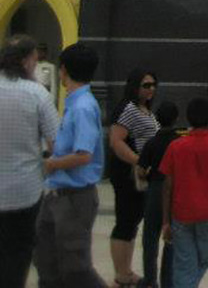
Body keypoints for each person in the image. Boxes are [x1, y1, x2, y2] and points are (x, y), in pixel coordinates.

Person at [34, 42, 107, 288]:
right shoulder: (74, 103)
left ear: (62, 70)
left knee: (76, 268)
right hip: (56, 194)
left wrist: (51, 164)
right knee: (46, 262)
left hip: (75, 197)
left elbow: (83, 155)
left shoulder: (83, 106)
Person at [0, 34, 59, 287]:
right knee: (19, 253)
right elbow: (56, 142)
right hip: (24, 191)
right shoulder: (37, 94)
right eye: (35, 59)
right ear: (25, 61)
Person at [159, 97, 208, 288]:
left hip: (181, 213)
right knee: (203, 260)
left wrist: (166, 221)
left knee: (184, 263)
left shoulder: (176, 147)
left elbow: (167, 186)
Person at [108, 68, 160, 286]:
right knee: (126, 221)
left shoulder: (145, 110)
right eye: (145, 85)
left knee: (131, 223)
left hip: (143, 176)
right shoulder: (128, 109)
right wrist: (138, 160)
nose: (151, 89)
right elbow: (117, 141)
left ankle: (126, 271)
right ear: (134, 86)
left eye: (153, 85)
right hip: (129, 176)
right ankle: (121, 274)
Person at [137, 101, 180, 288]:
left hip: (155, 189)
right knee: (171, 238)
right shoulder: (179, 143)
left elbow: (140, 170)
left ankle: (149, 278)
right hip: (175, 192)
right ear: (176, 119)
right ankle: (168, 281)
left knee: (150, 237)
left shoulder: (151, 143)